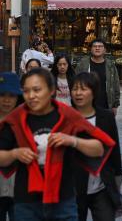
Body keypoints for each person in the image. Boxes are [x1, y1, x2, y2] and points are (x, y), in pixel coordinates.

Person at [0, 68, 114, 221]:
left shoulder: (67, 116)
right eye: (26, 91)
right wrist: (14, 154)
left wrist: (72, 141)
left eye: (37, 90)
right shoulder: (17, 119)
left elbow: (98, 148)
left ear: (51, 90)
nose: (31, 96)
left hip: (63, 200)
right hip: (26, 202)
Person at [71, 72, 122, 221]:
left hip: (102, 186)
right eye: (75, 89)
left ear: (94, 92)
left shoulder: (106, 117)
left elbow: (115, 151)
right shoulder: (66, 118)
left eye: (83, 89)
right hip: (74, 188)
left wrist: (117, 182)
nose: (78, 93)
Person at [76, 40, 120, 115]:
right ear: (91, 49)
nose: (97, 48)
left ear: (105, 50)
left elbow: (116, 85)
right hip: (87, 103)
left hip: (106, 104)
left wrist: (115, 105)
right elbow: (76, 82)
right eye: (95, 46)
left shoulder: (110, 65)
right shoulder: (83, 64)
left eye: (100, 46)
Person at [0, 73, 22, 221]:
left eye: (12, 95)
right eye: (2, 94)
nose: (6, 100)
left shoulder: (25, 121)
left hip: (19, 190)